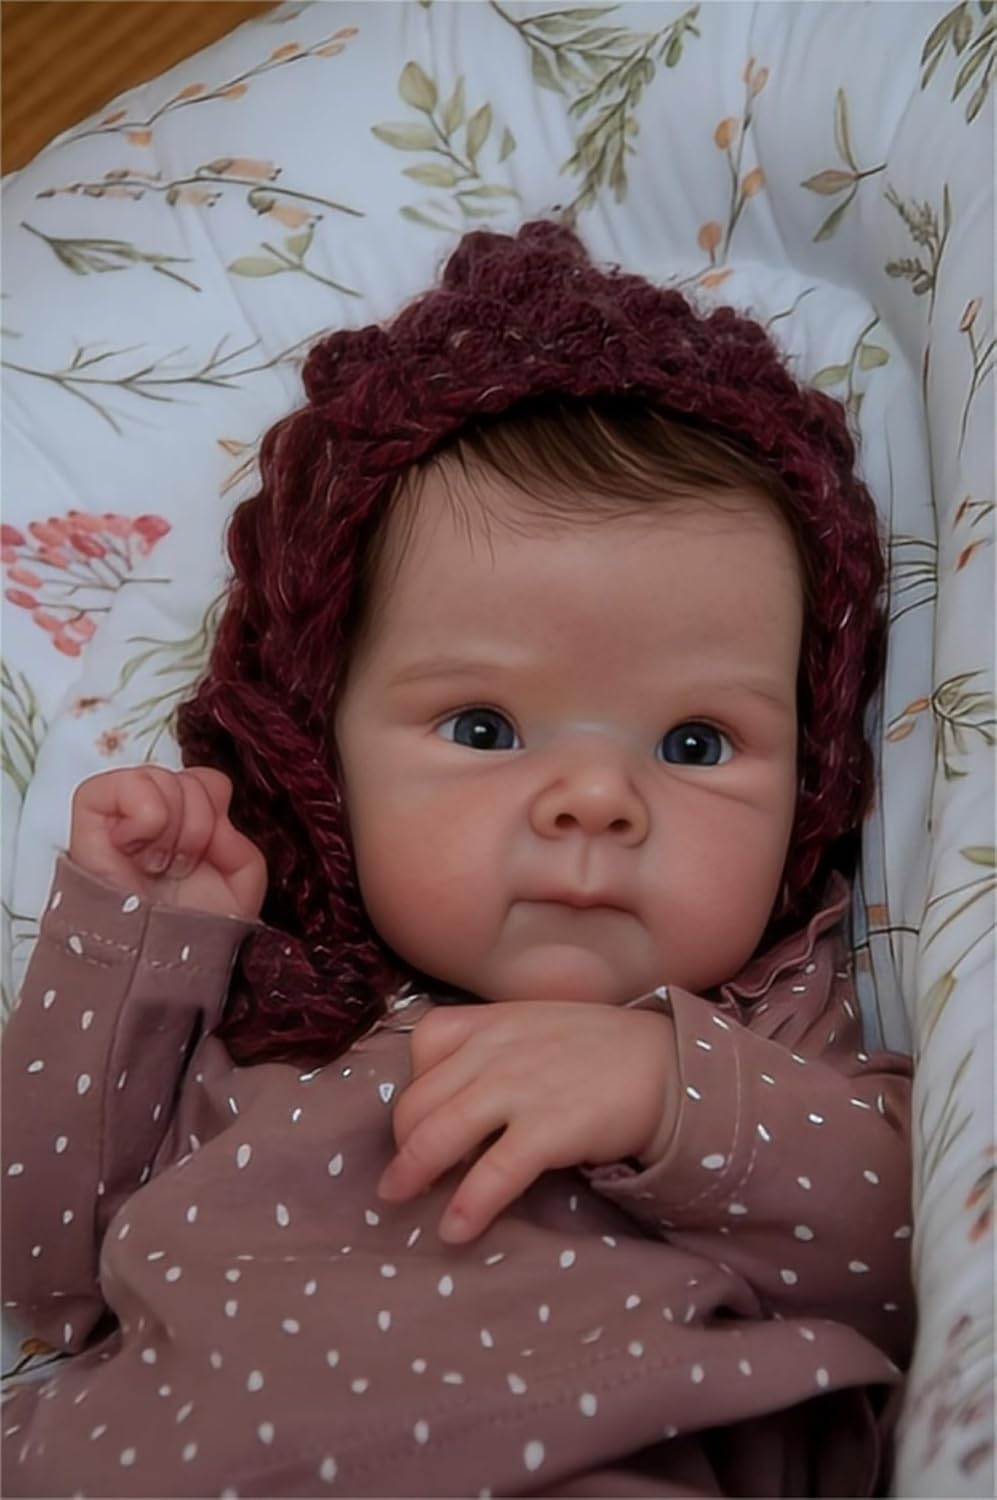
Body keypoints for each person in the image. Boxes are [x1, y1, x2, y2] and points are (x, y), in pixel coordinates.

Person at [1, 219, 913, 1498]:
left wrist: (671, 1094)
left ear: (808, 786)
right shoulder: (269, 1015)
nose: (595, 800)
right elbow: (38, 1263)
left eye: (696, 744)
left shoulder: (770, 1023)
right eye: (483, 729)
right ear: (324, 759)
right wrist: (135, 947)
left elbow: (910, 1252)